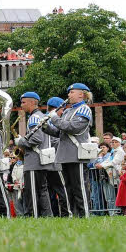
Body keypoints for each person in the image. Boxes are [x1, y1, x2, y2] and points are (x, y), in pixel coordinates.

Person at [47, 84, 93, 218]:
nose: (69, 95)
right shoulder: (67, 111)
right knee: (68, 189)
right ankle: (73, 215)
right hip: (65, 154)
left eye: (72, 92)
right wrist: (45, 127)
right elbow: (59, 132)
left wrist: (54, 118)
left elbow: (73, 128)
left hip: (76, 154)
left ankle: (85, 215)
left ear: (81, 94)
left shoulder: (84, 109)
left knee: (80, 188)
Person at [13, 92, 53, 217]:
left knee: (32, 192)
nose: (21, 105)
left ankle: (32, 215)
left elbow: (37, 139)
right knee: (42, 190)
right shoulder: (40, 116)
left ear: (32, 102)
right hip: (39, 160)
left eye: (24, 102)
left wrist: (21, 141)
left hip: (34, 160)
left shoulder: (34, 118)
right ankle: (47, 216)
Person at [41, 97, 71, 217]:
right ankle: (66, 214)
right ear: (58, 108)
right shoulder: (55, 120)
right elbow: (57, 141)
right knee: (63, 189)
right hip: (55, 162)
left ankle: (52, 214)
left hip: (44, 162)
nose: (63, 112)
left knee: (49, 192)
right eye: (62, 109)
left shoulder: (43, 119)